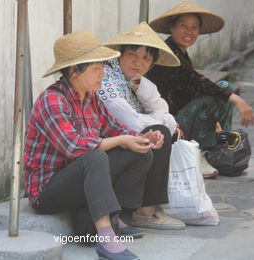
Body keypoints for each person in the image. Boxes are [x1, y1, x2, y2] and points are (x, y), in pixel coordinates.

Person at [24, 30, 166, 260]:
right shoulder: (52, 100)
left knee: (140, 154)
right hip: (47, 190)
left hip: (80, 180)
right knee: (94, 156)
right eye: (96, 69)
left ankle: (111, 217)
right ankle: (106, 239)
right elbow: (74, 147)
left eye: (103, 67)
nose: (103, 74)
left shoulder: (91, 97)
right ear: (74, 70)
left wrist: (143, 138)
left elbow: (115, 129)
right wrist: (122, 140)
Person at [146, 0, 254, 178]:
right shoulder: (166, 54)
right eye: (183, 26)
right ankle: (200, 153)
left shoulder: (180, 51)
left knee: (225, 87)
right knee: (214, 96)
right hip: (168, 122)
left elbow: (192, 87)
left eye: (194, 27)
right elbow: (197, 82)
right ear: (172, 27)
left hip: (182, 112)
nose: (189, 32)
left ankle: (218, 147)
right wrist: (237, 99)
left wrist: (215, 123)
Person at [99, 22, 186, 230]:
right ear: (119, 54)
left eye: (146, 58)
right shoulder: (106, 77)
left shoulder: (131, 81)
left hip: (118, 147)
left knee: (163, 129)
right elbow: (132, 122)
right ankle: (146, 211)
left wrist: (143, 87)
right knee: (160, 131)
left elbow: (160, 105)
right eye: (132, 54)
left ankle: (145, 207)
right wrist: (168, 121)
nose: (138, 62)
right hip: (101, 151)